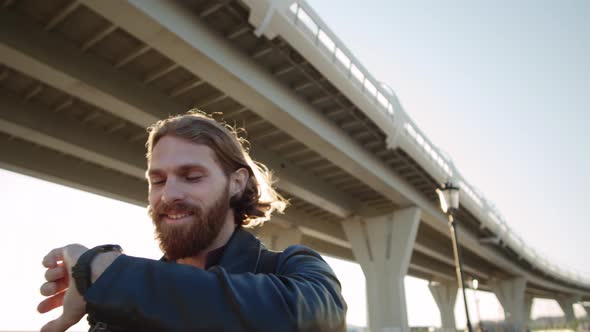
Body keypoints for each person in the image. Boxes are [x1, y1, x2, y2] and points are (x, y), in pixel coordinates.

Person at [37, 111, 347, 332]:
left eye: (192, 177)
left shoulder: (292, 270)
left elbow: (312, 320)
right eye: (157, 181)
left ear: (236, 183)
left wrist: (105, 270)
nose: (169, 194)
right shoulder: (121, 300)